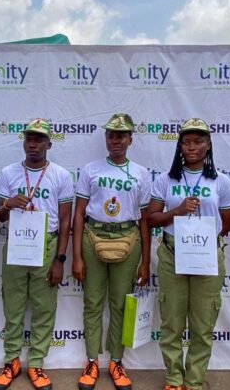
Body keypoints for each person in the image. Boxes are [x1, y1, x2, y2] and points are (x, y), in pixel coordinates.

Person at [147, 118, 230, 390]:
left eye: (198, 141)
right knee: (172, 322)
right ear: (180, 146)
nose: (192, 147)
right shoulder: (166, 179)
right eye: (186, 142)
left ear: (208, 145)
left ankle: (195, 380)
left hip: (207, 257)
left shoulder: (221, 181)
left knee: (202, 323)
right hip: (172, 254)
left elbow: (228, 222)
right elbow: (151, 218)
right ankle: (174, 378)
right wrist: (177, 211)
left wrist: (203, 240)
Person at [0, 118, 73, 390]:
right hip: (16, 242)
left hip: (47, 245)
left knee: (44, 307)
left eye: (39, 140)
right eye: (29, 139)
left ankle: (36, 362)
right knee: (12, 306)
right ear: (24, 142)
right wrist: (7, 204)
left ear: (49, 144)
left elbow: (65, 221)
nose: (33, 144)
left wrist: (60, 259)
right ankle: (11, 361)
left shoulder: (61, 175)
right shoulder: (9, 173)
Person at [73, 113, 151, 390]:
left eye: (121, 135)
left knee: (120, 304)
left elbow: (145, 218)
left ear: (130, 139)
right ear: (106, 138)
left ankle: (117, 361)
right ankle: (91, 361)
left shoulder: (141, 173)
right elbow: (79, 213)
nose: (116, 140)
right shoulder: (90, 169)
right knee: (93, 302)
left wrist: (146, 262)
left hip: (128, 237)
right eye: (111, 135)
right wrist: (77, 256)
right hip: (93, 236)